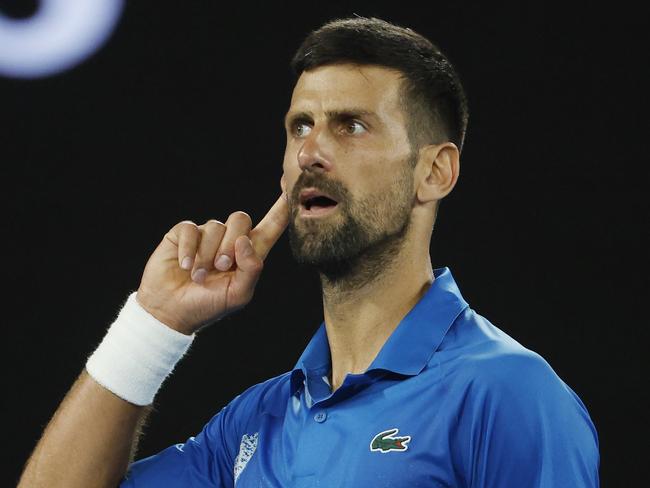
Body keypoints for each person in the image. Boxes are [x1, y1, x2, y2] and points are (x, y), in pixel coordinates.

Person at [18, 16, 599, 488]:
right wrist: (154, 325)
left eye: (351, 126)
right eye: (300, 126)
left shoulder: (508, 394)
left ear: (435, 171)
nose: (310, 153)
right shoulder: (256, 422)